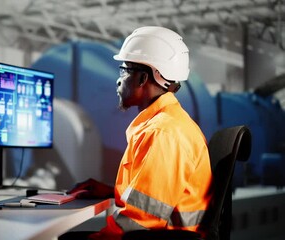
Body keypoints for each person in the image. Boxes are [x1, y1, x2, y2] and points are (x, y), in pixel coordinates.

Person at [61, 26, 213, 240]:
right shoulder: (165, 125)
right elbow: (152, 198)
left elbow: (138, 223)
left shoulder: (164, 133)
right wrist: (109, 190)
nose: (118, 79)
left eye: (124, 70)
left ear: (142, 78)